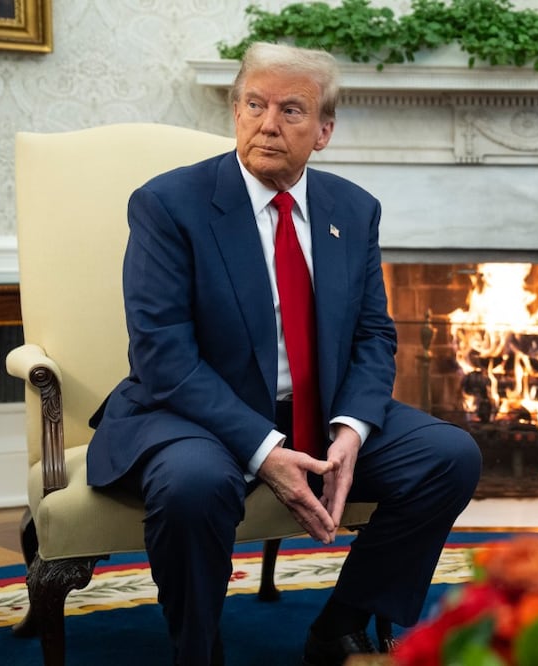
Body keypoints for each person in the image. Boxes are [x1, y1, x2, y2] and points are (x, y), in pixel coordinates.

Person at [85, 42, 482, 666]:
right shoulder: (168, 205)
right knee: (195, 484)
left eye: (291, 110)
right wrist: (265, 451)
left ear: (324, 131)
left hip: (312, 405)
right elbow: (163, 355)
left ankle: (340, 625)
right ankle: (198, 651)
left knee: (448, 456)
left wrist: (351, 429)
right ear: (236, 111)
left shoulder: (353, 209)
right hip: (189, 411)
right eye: (254, 105)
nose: (268, 124)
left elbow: (374, 335)